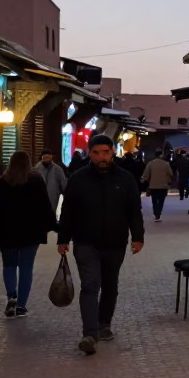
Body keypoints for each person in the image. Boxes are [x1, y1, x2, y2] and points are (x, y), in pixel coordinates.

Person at [57, 134, 144, 356]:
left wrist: (138, 236)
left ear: (113, 151)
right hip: (85, 242)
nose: (101, 157)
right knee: (89, 285)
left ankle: (104, 323)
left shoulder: (126, 179)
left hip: (115, 243)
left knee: (110, 285)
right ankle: (90, 333)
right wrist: (63, 238)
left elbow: (134, 210)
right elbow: (68, 211)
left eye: (105, 152)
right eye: (96, 153)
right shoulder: (78, 178)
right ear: (90, 153)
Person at [0, 151, 56, 318]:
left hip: (7, 232)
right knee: (26, 267)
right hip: (31, 232)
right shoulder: (36, 180)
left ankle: (11, 296)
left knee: (9, 265)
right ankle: (22, 306)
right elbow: (46, 206)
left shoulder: (1, 182)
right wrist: (55, 226)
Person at [141, 149, 176, 222]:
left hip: (153, 186)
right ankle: (158, 214)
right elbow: (171, 174)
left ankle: (155, 212)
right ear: (161, 155)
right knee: (161, 201)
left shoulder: (150, 164)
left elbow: (146, 175)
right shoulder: (166, 164)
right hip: (163, 186)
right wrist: (169, 181)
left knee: (154, 200)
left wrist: (145, 181)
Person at [34, 149, 68, 220]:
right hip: (38, 198)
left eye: (48, 158)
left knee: (51, 216)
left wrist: (65, 194)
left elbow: (63, 184)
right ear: (42, 158)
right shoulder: (37, 169)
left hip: (53, 198)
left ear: (51, 157)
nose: (46, 159)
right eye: (45, 158)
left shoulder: (58, 169)